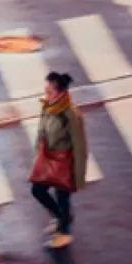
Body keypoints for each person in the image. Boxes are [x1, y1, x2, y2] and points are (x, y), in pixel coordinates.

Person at [30, 72, 88, 249]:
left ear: (60, 92)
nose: (46, 95)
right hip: (49, 158)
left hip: (65, 162)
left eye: (50, 92)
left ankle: (64, 233)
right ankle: (61, 217)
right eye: (46, 91)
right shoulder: (48, 106)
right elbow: (42, 130)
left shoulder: (71, 114)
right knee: (38, 190)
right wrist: (38, 151)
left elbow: (80, 146)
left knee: (62, 197)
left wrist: (78, 175)